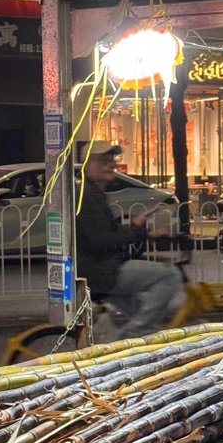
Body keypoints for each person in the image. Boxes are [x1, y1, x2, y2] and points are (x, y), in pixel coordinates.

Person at [76, 141, 183, 339]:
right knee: (169, 276)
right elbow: (102, 240)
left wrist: (147, 233)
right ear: (86, 165)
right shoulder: (86, 197)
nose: (110, 165)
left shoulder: (94, 194)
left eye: (111, 160)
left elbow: (108, 233)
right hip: (101, 271)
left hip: (102, 268)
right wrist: (135, 228)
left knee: (145, 318)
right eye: (101, 161)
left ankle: (131, 345)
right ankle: (133, 334)